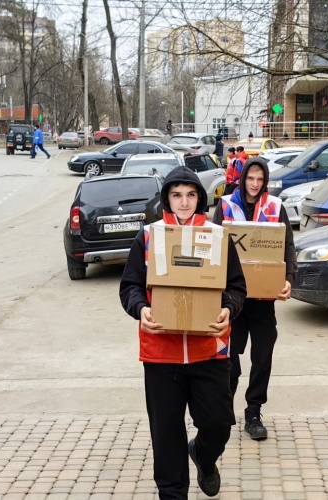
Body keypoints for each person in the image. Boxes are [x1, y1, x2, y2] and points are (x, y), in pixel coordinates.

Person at [119, 166, 247, 499]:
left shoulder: (218, 236)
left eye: (191, 195)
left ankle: (204, 456)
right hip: (161, 354)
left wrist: (228, 309)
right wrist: (140, 309)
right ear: (167, 198)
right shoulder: (148, 236)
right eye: (177, 195)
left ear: (199, 198)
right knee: (166, 435)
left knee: (219, 424)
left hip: (210, 350)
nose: (184, 202)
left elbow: (236, 287)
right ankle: (172, 494)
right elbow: (130, 286)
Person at [213, 157, 297, 441]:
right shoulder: (225, 206)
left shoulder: (274, 207)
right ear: (243, 178)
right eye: (251, 179)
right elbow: (212, 246)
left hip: (263, 300)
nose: (255, 185)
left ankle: (253, 411)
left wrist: (288, 280)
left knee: (262, 357)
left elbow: (288, 246)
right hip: (232, 301)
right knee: (228, 359)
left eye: (260, 180)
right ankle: (224, 408)